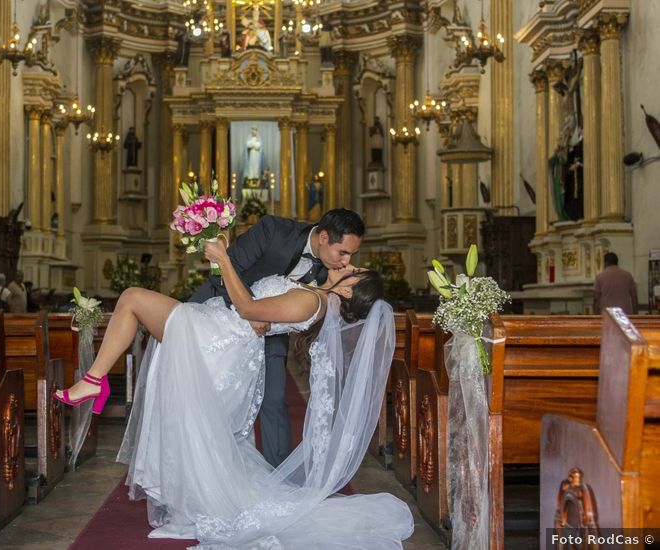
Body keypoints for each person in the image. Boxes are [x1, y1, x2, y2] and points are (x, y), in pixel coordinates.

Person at [53, 238, 412, 547]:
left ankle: (94, 381)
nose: (349, 264)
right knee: (192, 426)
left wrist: (223, 259)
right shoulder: (315, 292)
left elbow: (248, 308)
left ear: (348, 290)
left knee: (132, 298)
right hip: (218, 334)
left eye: (354, 270)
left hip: (219, 342)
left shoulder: (312, 303)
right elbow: (256, 302)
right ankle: (187, 505)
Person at [191, 208, 364, 467]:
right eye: (343, 252)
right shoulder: (273, 230)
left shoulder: (331, 274)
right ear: (324, 237)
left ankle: (279, 477)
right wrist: (248, 311)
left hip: (271, 334)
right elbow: (226, 267)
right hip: (221, 316)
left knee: (273, 399)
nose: (345, 261)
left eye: (351, 254)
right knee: (204, 394)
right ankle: (201, 464)